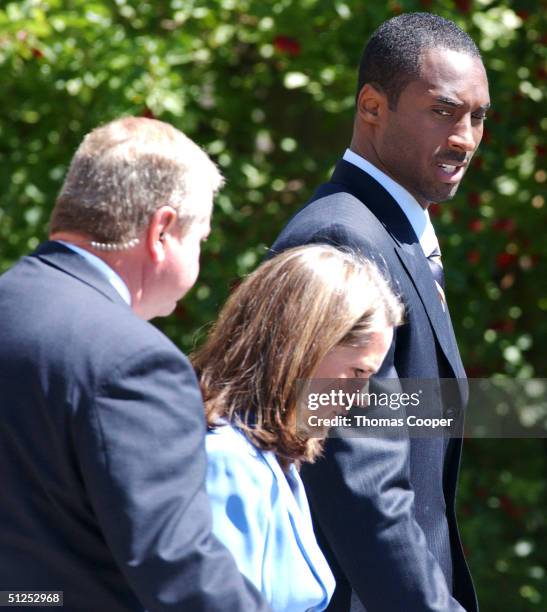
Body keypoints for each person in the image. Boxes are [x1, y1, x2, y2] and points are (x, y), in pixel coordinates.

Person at [0, 117, 270, 611]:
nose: (200, 259)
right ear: (162, 231)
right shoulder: (135, 361)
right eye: (201, 239)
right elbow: (179, 565)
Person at [269, 12, 490, 612]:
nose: (466, 137)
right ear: (372, 106)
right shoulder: (344, 240)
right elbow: (358, 480)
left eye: (477, 117)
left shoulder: (391, 233)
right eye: (443, 111)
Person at [192, 245, 403, 612]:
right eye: (357, 373)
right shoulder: (226, 461)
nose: (361, 397)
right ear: (301, 348)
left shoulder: (269, 458)